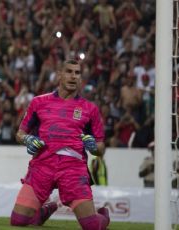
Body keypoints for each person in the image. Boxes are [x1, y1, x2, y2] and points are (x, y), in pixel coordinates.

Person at [10, 59, 110, 230]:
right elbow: (20, 133)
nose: (73, 76)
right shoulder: (38, 102)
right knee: (18, 221)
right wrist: (27, 139)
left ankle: (103, 217)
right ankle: (44, 210)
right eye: (69, 71)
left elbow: (101, 148)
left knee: (92, 226)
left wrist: (94, 147)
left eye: (77, 73)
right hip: (42, 165)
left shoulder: (90, 109)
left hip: (73, 169)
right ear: (59, 75)